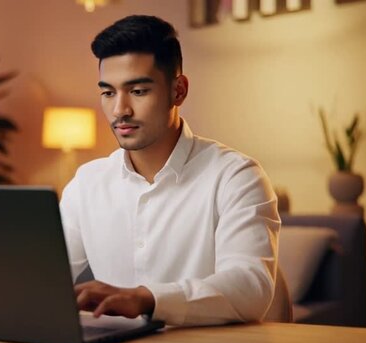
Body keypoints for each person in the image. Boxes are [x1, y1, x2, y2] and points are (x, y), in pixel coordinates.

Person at [60, 15, 280, 326]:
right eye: (108, 93)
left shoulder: (236, 176)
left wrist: (148, 299)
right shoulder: (87, 183)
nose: (120, 110)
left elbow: (251, 287)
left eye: (137, 91)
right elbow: (41, 279)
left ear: (178, 91)